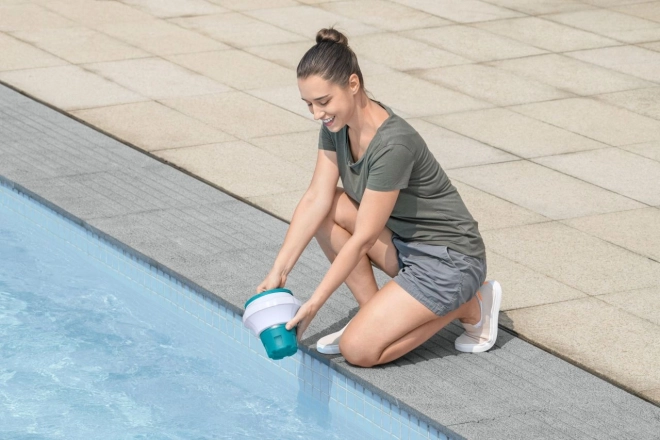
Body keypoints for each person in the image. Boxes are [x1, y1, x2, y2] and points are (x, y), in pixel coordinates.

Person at [256, 27, 502, 368]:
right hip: (405, 245)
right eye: (309, 104)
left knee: (359, 351)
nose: (316, 113)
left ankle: (469, 304)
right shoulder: (336, 126)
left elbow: (363, 239)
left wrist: (313, 304)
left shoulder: (392, 145)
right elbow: (316, 198)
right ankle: (374, 317)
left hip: (450, 261)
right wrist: (278, 273)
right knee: (328, 207)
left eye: (323, 102)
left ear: (353, 85)